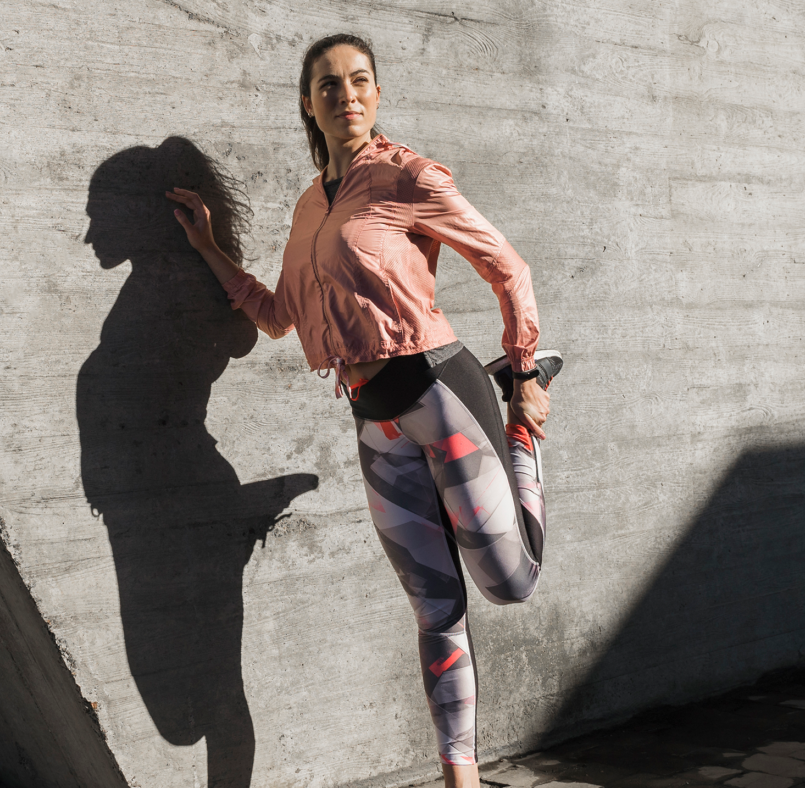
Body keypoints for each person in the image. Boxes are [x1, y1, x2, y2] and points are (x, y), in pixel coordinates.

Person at [165, 32, 561, 788]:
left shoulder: (407, 177)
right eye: (328, 85)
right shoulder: (312, 205)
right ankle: (461, 779)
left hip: (441, 392)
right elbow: (279, 316)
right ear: (309, 105)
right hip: (372, 418)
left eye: (359, 81)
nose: (345, 95)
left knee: (512, 584)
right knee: (434, 611)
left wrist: (525, 372)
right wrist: (210, 248)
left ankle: (518, 427)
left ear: (376, 95)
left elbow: (506, 266)